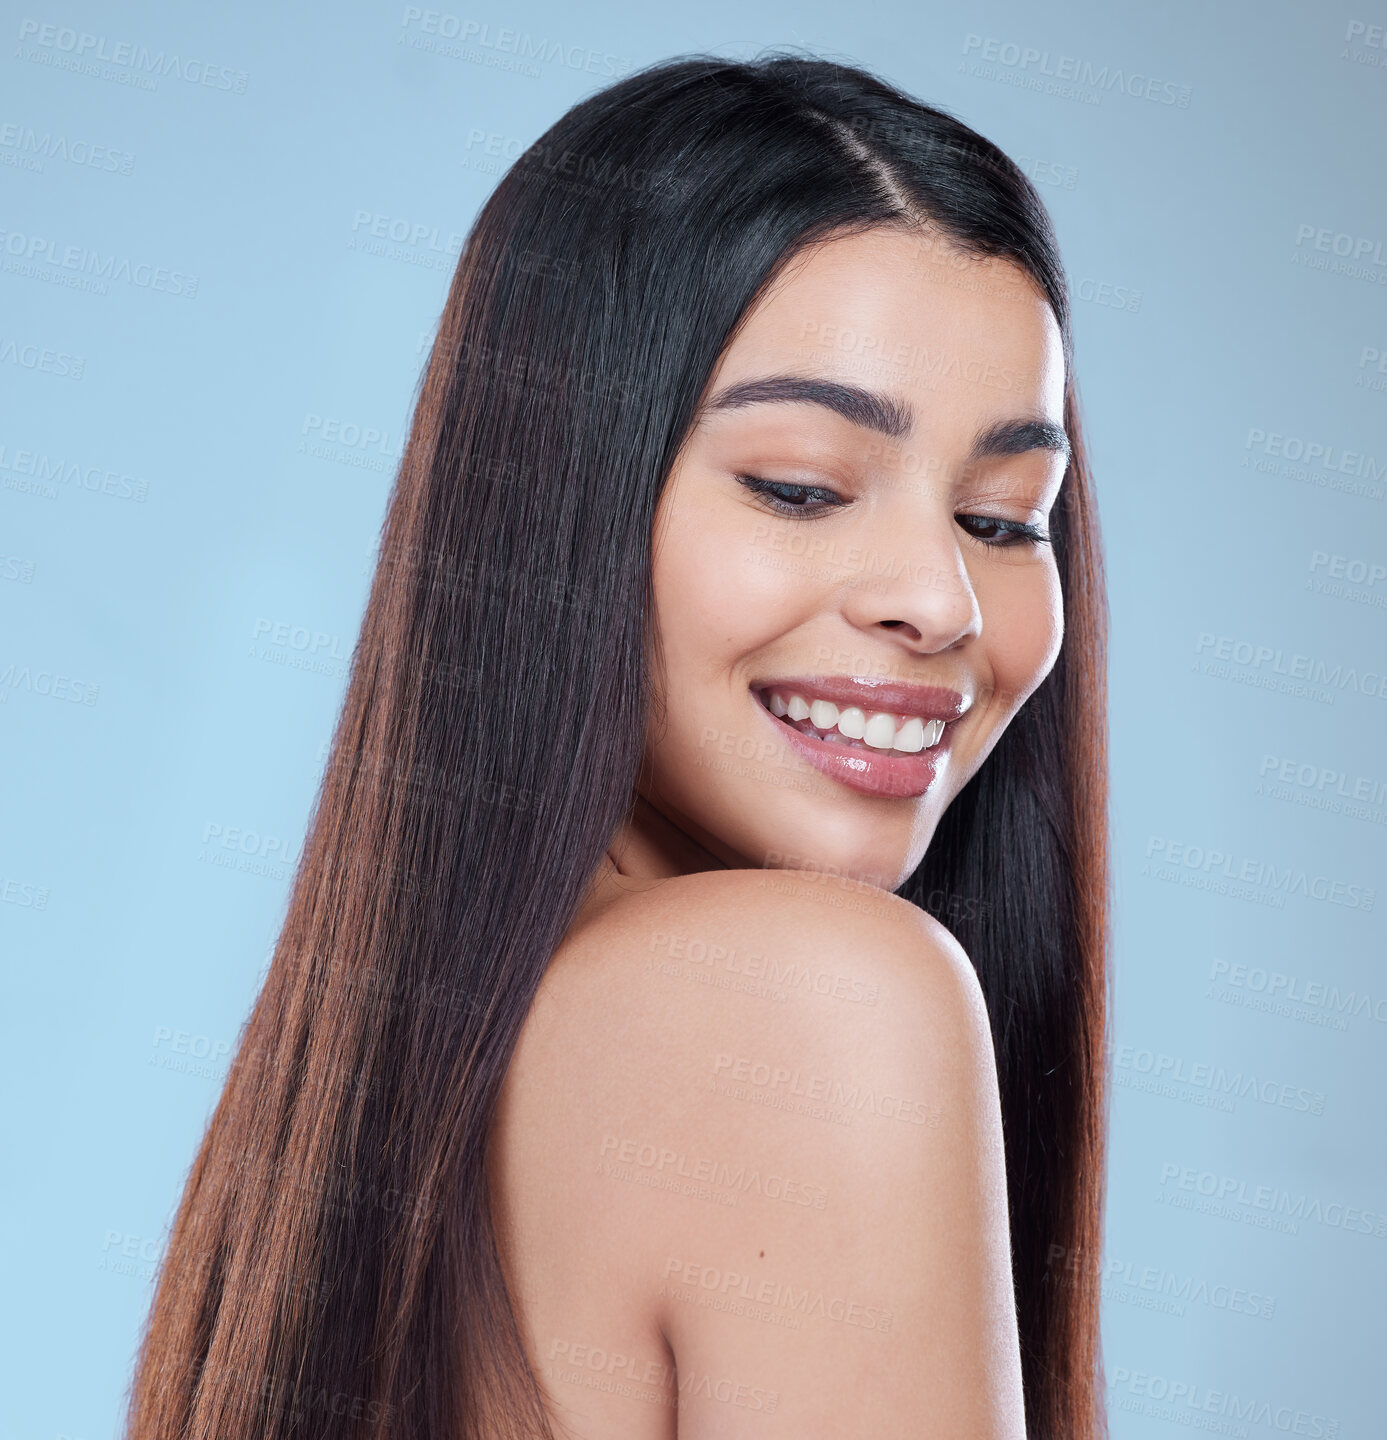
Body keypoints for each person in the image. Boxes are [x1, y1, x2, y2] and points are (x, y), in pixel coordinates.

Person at [126, 51, 1109, 1440]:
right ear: (555, 506)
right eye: (801, 486)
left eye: (1005, 517)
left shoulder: (361, 1115)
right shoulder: (812, 1004)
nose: (940, 602)